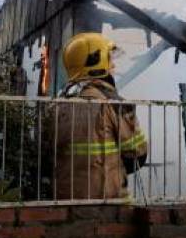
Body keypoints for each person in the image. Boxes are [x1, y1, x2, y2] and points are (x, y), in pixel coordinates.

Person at [52, 32, 147, 200]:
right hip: (107, 202)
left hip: (64, 202)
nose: (113, 67)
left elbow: (46, 155)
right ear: (96, 63)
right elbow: (137, 155)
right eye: (110, 60)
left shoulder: (56, 106)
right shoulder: (113, 104)